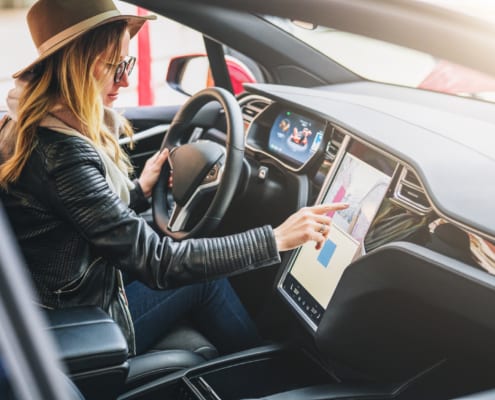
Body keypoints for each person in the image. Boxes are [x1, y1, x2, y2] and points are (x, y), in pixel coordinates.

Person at [0, 0, 348, 357]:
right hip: (81, 323)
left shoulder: (23, 124)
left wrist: (139, 191)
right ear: (75, 67)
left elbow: (75, 218)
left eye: (127, 62)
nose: (126, 79)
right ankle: (269, 376)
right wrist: (275, 239)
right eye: (114, 65)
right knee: (206, 280)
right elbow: (157, 263)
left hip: (56, 301)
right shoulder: (62, 153)